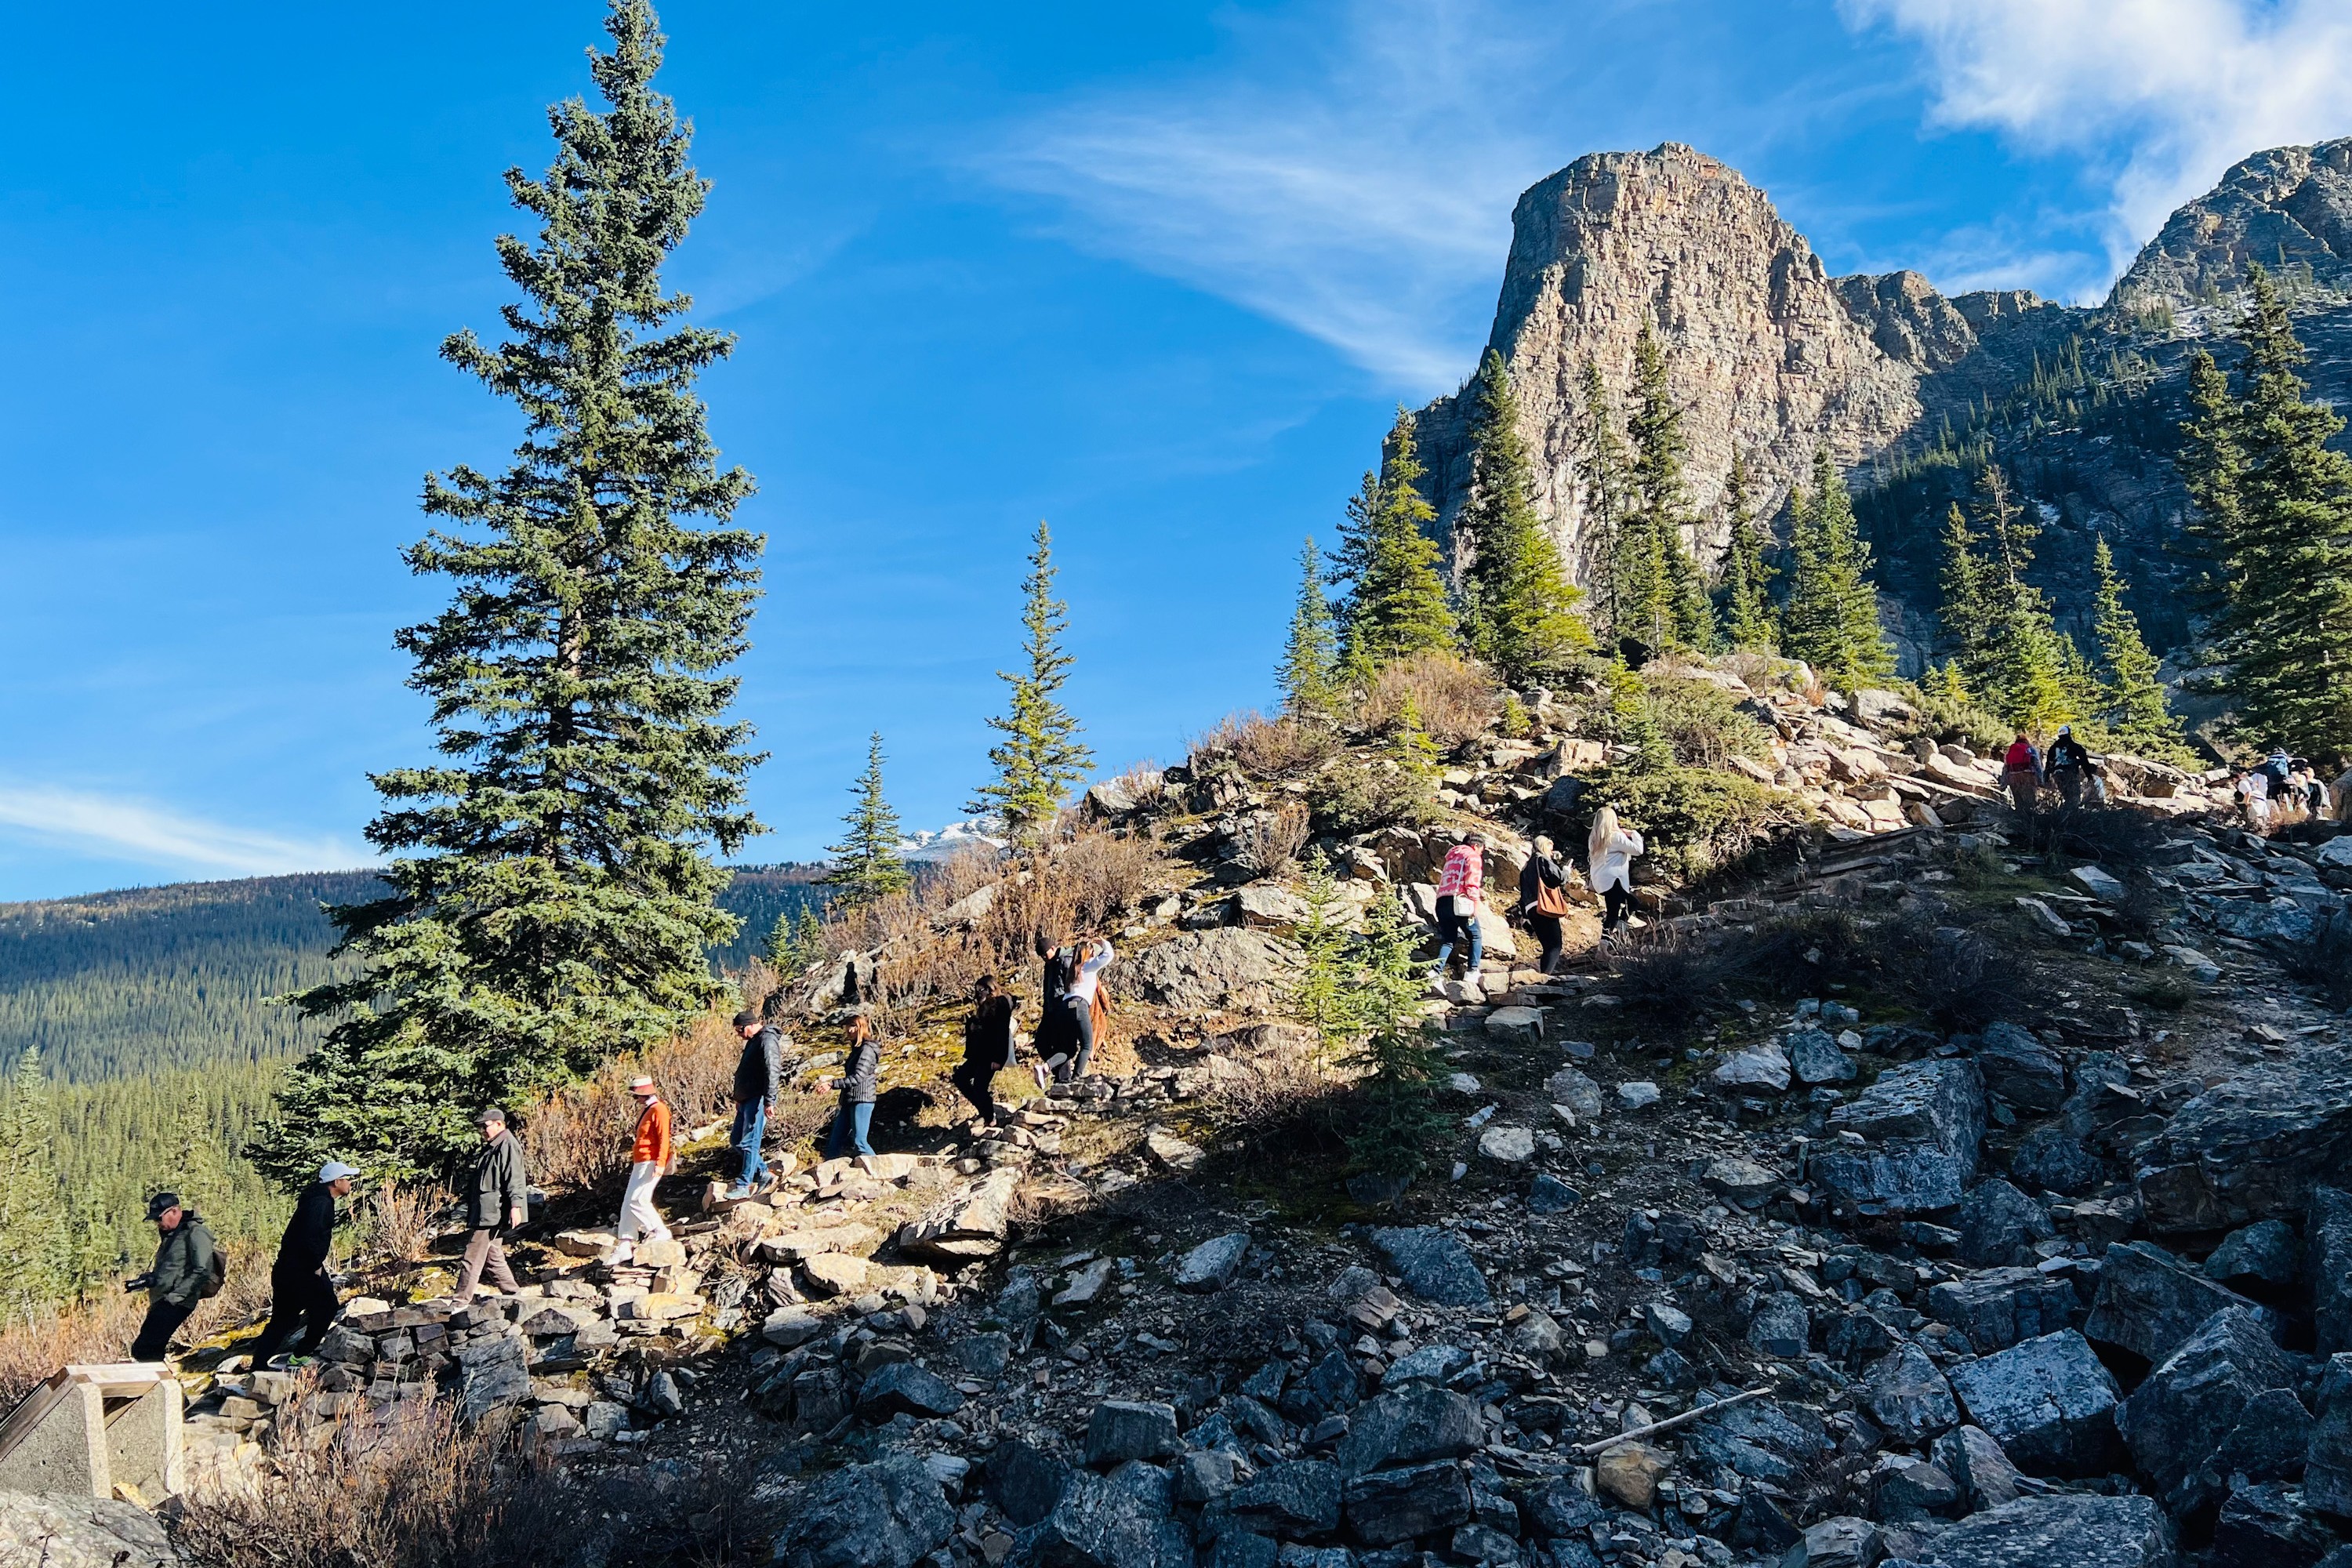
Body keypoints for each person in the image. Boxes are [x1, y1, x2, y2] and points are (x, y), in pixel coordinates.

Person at [249, 1160, 358, 1366]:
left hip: (288, 1267)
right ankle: (300, 1355)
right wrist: (316, 1266)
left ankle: (259, 1362)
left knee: (284, 1319)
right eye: (348, 1179)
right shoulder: (322, 1203)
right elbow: (310, 1237)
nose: (350, 1183)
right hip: (303, 1269)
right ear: (337, 1181)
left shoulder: (316, 1199)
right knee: (326, 1307)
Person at [128, 1192, 218, 1363]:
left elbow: (203, 1270)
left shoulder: (196, 1233)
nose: (157, 1224)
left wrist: (176, 1297)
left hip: (178, 1301)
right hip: (165, 1300)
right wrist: (150, 1280)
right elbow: (171, 1269)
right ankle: (158, 1384)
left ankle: (157, 1385)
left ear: (175, 1211)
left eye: (159, 1218)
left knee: (145, 1349)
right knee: (148, 1348)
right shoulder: (173, 1235)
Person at [452, 1107, 528, 1304]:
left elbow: (515, 1178)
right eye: (480, 1128)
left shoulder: (508, 1145)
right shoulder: (493, 1146)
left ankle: (460, 1301)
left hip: (493, 1211)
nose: (483, 1132)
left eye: (485, 1127)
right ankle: (513, 1294)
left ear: (499, 1124)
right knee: (492, 1254)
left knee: (473, 1254)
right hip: (486, 1210)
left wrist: (516, 1206)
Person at [724, 1007, 784, 1200]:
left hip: (757, 1099)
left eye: (740, 1030)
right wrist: (740, 1099)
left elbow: (772, 1069)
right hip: (746, 1100)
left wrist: (770, 1100)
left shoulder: (766, 1040)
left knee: (750, 1142)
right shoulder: (754, 1041)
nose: (739, 1034)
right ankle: (763, 1173)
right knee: (736, 1141)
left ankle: (744, 1184)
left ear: (750, 1025)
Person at [615, 1076, 674, 1264]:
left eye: (637, 1095)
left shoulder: (659, 1110)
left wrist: (661, 1163)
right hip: (641, 1161)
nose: (636, 1099)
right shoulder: (649, 1110)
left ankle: (659, 1231)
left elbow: (664, 1138)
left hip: (651, 1161)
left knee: (638, 1200)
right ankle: (625, 1242)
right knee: (628, 1203)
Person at [953, 975, 1019, 1126]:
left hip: (991, 1055)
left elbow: (1001, 1031)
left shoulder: (1001, 1003)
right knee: (960, 1078)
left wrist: (999, 1059)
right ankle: (984, 1111)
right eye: (977, 990)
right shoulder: (984, 1006)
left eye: (982, 989)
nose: (979, 993)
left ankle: (989, 1117)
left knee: (979, 1086)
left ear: (991, 988)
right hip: (978, 1053)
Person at [824, 1012, 880, 1170]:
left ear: (860, 1028)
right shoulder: (857, 1049)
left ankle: (878, 1170)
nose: (849, 1030)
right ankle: (828, 1175)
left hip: (862, 1099)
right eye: (847, 1026)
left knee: (859, 1141)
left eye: (853, 1026)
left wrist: (832, 1084)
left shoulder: (867, 1049)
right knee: (835, 1142)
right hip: (850, 1099)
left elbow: (858, 1077)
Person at [1058, 937, 1114, 1082]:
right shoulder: (1088, 965)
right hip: (1079, 1006)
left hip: (1064, 1008)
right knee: (1087, 1045)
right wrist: (1102, 943)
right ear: (1088, 953)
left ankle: (1046, 1067)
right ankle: (1076, 1077)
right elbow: (1108, 955)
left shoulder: (1072, 969)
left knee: (1067, 1049)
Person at [1432, 830, 1486, 980]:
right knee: (1475, 935)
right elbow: (1471, 882)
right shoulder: (1472, 856)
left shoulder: (1451, 858)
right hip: (1459, 902)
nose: (1481, 854)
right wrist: (1475, 902)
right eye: (1481, 850)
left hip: (1442, 900)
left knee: (1448, 939)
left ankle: (1435, 972)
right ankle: (1472, 972)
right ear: (1476, 846)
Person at [1518, 834, 1573, 975]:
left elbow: (1522, 892)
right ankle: (1545, 976)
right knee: (1555, 945)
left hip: (1530, 908)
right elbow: (1557, 879)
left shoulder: (1526, 866)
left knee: (1547, 946)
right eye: (1550, 848)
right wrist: (1566, 871)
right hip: (1543, 906)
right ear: (1544, 846)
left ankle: (1543, 975)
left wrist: (1524, 915)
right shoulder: (1542, 860)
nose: (1551, 852)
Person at [1588, 807, 1645, 936]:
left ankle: (1610, 938)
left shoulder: (1594, 838)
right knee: (1628, 905)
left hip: (1601, 881)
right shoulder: (1616, 837)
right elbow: (1638, 850)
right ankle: (1607, 943)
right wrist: (1633, 834)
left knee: (1614, 911)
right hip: (1614, 880)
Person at [2046, 725, 2092, 808]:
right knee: (2074, 798)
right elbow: (2084, 762)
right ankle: (2072, 816)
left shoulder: (2052, 748)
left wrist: (2046, 778)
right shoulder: (2075, 746)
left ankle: (2063, 813)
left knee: (2065, 796)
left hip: (2057, 775)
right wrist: (2089, 776)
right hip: (2071, 774)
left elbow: (2048, 764)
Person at [2002, 731, 2044, 811]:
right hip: (2028, 776)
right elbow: (2037, 764)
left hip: (2013, 777)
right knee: (2031, 802)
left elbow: (2006, 767)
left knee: (2018, 801)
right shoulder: (2031, 749)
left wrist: (2003, 784)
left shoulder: (2011, 750)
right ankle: (2031, 820)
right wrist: (2040, 781)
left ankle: (2019, 818)